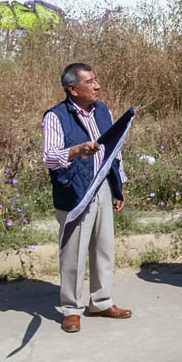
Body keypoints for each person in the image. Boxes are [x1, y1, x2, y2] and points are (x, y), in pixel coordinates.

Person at [42, 63, 130, 333]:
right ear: (72, 89)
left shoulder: (103, 111)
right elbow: (49, 157)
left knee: (104, 249)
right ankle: (71, 309)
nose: (97, 86)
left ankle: (101, 301)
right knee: (74, 253)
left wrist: (118, 185)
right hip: (75, 193)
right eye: (90, 82)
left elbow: (115, 150)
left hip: (102, 187)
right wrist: (75, 151)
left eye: (96, 80)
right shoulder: (56, 116)